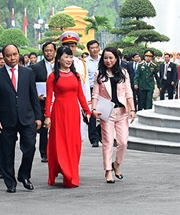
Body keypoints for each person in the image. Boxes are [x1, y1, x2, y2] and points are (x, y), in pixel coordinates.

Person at [0, 44, 42, 193]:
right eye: (8, 55)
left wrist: (38, 117)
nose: (12, 58)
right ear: (3, 57)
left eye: (15, 54)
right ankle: (10, 182)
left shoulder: (27, 72)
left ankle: (24, 175)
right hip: (6, 119)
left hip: (27, 118)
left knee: (30, 148)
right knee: (7, 152)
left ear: (19, 55)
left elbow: (33, 96)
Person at [44, 46, 91, 188]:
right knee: (61, 143)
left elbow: (80, 95)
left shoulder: (76, 76)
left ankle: (71, 170)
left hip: (73, 113)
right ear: (59, 59)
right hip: (59, 113)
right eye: (66, 57)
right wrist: (47, 116)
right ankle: (67, 174)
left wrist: (87, 111)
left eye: (70, 57)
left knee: (74, 144)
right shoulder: (53, 77)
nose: (69, 60)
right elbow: (48, 98)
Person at [91, 47, 136, 183]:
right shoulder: (99, 74)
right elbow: (95, 94)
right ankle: (108, 171)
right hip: (107, 113)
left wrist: (132, 110)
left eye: (111, 58)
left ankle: (116, 164)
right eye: (105, 58)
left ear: (116, 58)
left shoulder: (123, 72)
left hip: (122, 112)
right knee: (108, 142)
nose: (108, 61)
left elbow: (128, 93)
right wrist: (93, 109)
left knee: (123, 142)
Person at [59, 31, 91, 140]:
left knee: (78, 137)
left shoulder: (81, 63)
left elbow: (85, 86)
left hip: (78, 105)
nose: (70, 49)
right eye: (67, 46)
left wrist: (88, 107)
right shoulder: (56, 65)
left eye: (72, 46)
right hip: (62, 105)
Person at [31, 42, 56, 163]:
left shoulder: (60, 65)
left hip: (57, 101)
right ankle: (44, 153)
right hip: (42, 102)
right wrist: (36, 96)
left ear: (55, 52)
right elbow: (31, 85)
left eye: (51, 50)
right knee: (44, 129)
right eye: (47, 50)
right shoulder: (36, 67)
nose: (49, 53)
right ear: (43, 52)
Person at [86, 40, 102, 147]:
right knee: (92, 114)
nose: (95, 49)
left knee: (105, 113)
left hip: (103, 90)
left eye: (96, 47)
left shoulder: (104, 60)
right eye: (92, 48)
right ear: (88, 49)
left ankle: (100, 133)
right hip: (91, 90)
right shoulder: (85, 62)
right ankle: (94, 138)